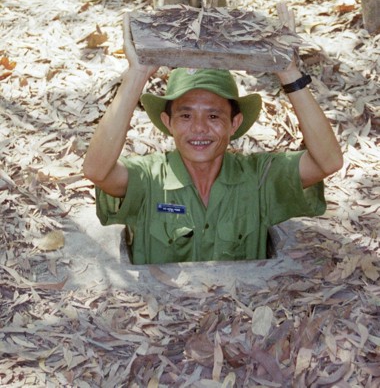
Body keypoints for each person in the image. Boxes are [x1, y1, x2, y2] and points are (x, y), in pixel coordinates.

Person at [83, 14, 343, 265]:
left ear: (234, 123)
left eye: (214, 116)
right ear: (168, 123)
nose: (199, 128)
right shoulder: (149, 178)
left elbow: (327, 162)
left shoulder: (259, 180)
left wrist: (289, 73)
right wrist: (137, 74)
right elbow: (97, 171)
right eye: (185, 116)